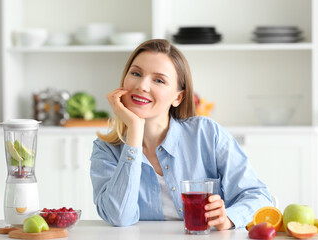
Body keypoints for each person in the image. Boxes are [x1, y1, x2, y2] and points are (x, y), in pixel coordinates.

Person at [90, 39, 272, 230]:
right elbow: (119, 216)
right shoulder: (106, 149)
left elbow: (258, 196)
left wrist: (228, 219)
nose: (142, 85)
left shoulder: (207, 134)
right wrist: (135, 130)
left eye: (159, 80)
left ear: (178, 97)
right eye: (136, 73)